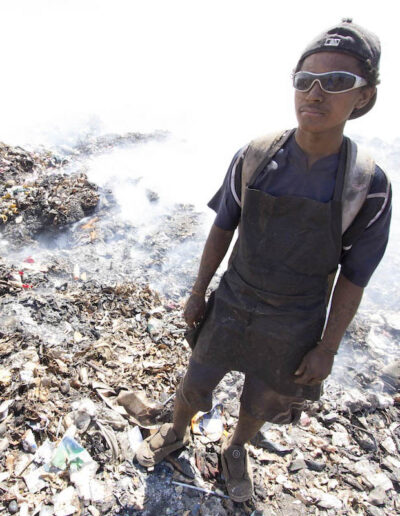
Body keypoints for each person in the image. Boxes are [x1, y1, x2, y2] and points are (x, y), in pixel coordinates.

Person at [136, 19, 392, 502]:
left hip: (296, 319)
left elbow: (355, 277)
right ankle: (175, 432)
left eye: (337, 82)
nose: (315, 94)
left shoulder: (367, 185)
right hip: (234, 300)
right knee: (197, 378)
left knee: (262, 398)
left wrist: (327, 348)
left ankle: (236, 449)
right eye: (305, 80)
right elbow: (223, 226)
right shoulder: (256, 155)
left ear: (363, 97)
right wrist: (197, 293)